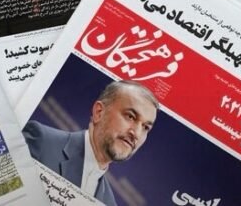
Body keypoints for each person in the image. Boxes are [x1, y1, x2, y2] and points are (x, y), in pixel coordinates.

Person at [23, 80, 158, 206]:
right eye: (130, 116)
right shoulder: (41, 141)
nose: (136, 133)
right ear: (99, 112)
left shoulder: (108, 203)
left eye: (145, 127)